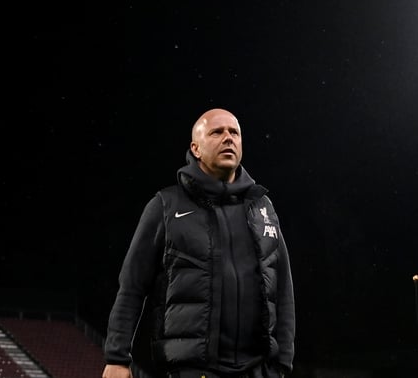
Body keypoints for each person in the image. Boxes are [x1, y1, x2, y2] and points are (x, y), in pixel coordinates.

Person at [102, 108, 295, 378]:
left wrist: (282, 363)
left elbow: (283, 289)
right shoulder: (166, 206)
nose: (228, 138)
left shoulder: (262, 209)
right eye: (217, 132)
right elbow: (132, 286)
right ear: (195, 148)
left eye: (234, 132)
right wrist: (116, 358)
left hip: (258, 369)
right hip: (192, 370)